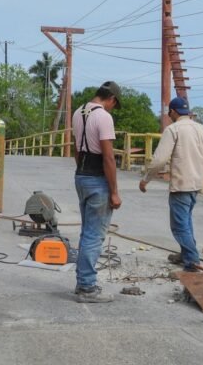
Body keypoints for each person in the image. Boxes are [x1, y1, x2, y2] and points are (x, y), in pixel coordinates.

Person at [138, 97, 203, 272]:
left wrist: (146, 179)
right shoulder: (202, 129)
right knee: (186, 221)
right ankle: (185, 255)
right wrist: (201, 173)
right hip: (196, 184)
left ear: (173, 112)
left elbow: (159, 160)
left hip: (181, 184)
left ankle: (192, 261)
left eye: (169, 113)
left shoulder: (173, 129)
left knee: (179, 226)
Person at [71, 81, 122, 303]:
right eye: (114, 104)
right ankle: (87, 287)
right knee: (94, 236)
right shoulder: (103, 117)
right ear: (111, 99)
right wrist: (114, 191)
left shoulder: (78, 112)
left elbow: (76, 148)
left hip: (81, 175)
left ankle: (82, 281)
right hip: (97, 179)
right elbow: (108, 157)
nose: (112, 108)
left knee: (86, 233)